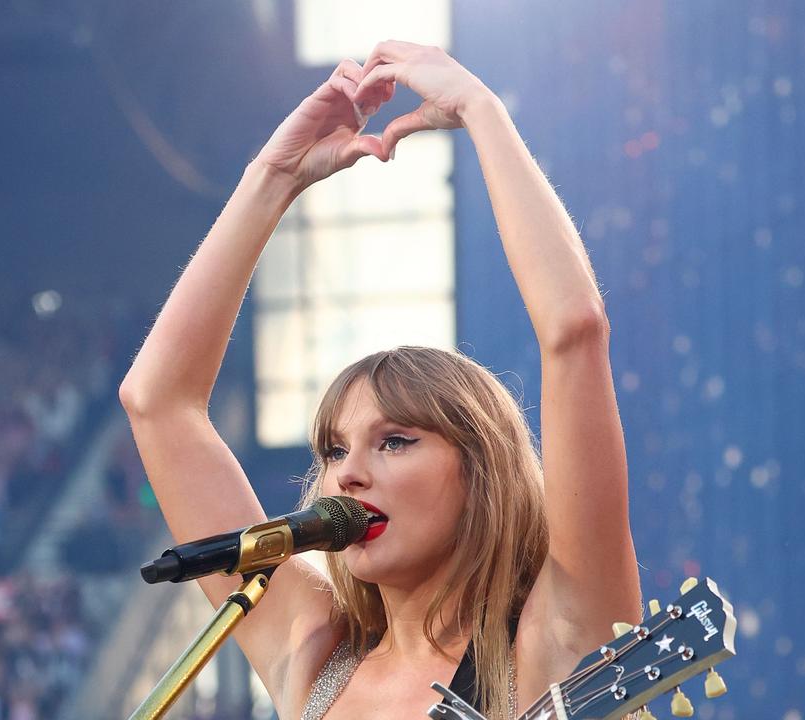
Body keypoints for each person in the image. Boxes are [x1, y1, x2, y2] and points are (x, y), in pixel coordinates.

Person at [118, 41, 640, 719]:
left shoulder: (554, 638)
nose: (348, 475)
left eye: (395, 441)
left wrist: (482, 111)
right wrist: (273, 177)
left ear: (482, 469)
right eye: (334, 450)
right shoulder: (316, 655)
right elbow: (157, 404)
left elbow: (574, 332)